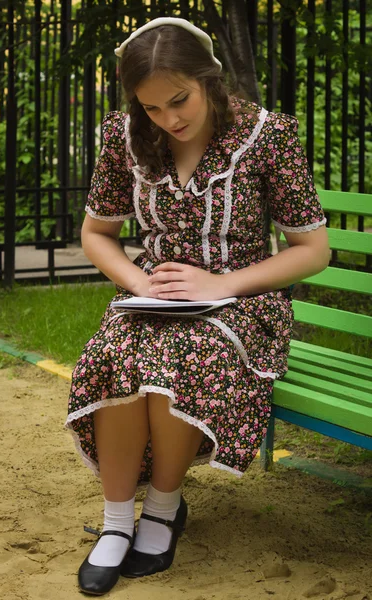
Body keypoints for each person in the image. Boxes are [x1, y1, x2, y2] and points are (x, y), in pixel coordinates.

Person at [65, 16, 330, 596]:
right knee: (116, 349)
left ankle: (162, 508)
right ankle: (115, 523)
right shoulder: (124, 135)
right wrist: (139, 279)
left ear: (209, 78)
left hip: (242, 305)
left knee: (186, 350)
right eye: (152, 108)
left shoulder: (269, 135)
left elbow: (312, 251)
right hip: (149, 297)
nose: (169, 119)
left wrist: (221, 285)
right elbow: (96, 233)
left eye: (179, 100)